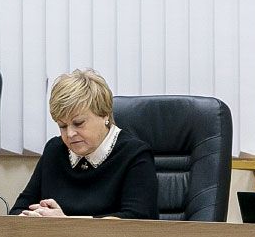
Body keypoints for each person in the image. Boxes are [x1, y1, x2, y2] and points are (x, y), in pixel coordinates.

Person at [13, 69, 159, 219]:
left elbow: (136, 220)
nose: (70, 134)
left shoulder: (135, 154)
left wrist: (66, 223)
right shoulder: (55, 149)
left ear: (104, 114)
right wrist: (31, 217)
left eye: (78, 123)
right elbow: (18, 210)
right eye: (62, 126)